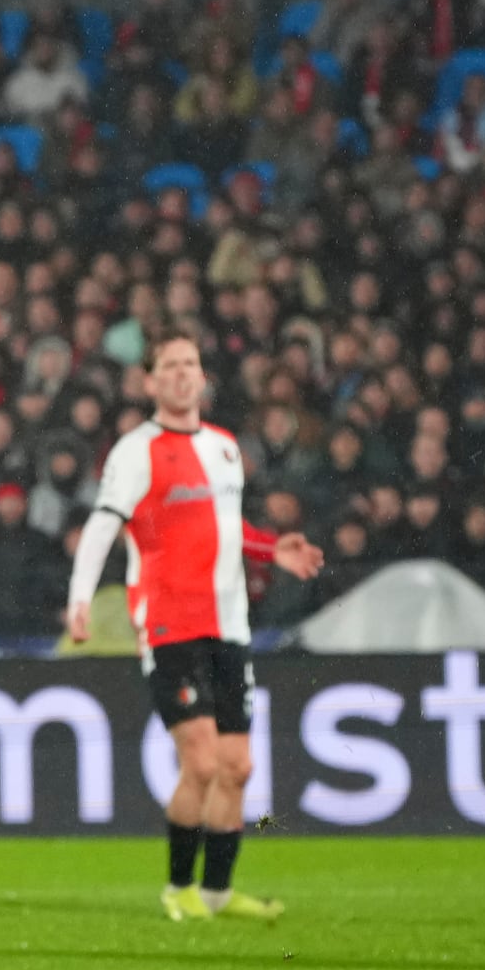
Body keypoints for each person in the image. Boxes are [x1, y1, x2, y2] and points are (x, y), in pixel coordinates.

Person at [65, 328, 324, 923]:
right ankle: (178, 887)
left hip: (229, 625)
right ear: (151, 381)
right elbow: (102, 526)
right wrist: (80, 598)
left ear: (203, 377)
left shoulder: (226, 448)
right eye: (171, 366)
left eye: (192, 363)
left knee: (238, 767)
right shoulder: (136, 451)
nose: (184, 374)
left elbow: (228, 528)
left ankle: (216, 892)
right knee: (202, 762)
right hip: (169, 624)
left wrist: (269, 550)